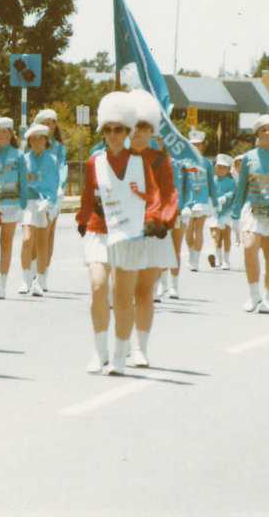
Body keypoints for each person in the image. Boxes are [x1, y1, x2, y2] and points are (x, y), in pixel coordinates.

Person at [76, 92, 160, 375]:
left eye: (119, 129)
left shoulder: (140, 162)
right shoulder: (93, 162)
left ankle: (119, 357)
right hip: (99, 231)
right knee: (98, 287)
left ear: (127, 131)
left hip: (128, 234)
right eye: (108, 129)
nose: (113, 135)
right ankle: (99, 352)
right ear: (103, 131)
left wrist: (152, 220)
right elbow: (88, 196)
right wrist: (82, 219)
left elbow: (152, 197)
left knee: (123, 296)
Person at [124, 88, 177, 367]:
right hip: (122, 232)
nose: (138, 133)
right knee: (122, 291)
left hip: (151, 232)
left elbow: (168, 196)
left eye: (143, 127)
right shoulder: (114, 157)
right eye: (133, 127)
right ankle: (122, 342)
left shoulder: (160, 159)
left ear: (150, 130)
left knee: (144, 291)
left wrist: (163, 222)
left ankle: (140, 348)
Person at [231, 115, 269, 313]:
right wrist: (235, 214)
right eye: (263, 130)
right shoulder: (248, 157)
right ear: (257, 134)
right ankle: (253, 293)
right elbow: (242, 187)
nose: (267, 133)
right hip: (253, 209)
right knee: (249, 247)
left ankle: (268, 298)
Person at [0, 116, 27, 299]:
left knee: (6, 243)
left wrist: (22, 205)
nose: (1, 135)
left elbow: (23, 182)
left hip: (11, 204)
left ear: (10, 134)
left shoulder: (19, 154)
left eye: (5, 131)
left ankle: (2, 284)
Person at [19, 123, 59, 296]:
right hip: (29, 203)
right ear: (29, 142)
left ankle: (40, 280)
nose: (37, 143)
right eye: (33, 140)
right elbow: (21, 183)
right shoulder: (24, 159)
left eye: (40, 139)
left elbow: (54, 184)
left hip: (45, 204)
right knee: (27, 240)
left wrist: (50, 203)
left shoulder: (52, 160)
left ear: (45, 140)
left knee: (42, 243)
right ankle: (25, 279)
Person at [32, 109, 67, 290]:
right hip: (35, 192)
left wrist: (58, 186)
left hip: (53, 192)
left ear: (54, 125)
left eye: (50, 123)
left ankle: (43, 274)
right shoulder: (33, 142)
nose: (47, 126)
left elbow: (62, 168)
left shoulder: (59, 147)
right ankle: (32, 271)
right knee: (33, 232)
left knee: (48, 233)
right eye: (44, 123)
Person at [181, 130, 216, 272]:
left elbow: (211, 183)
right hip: (189, 200)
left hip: (203, 199)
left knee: (199, 228)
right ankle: (191, 254)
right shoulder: (184, 163)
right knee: (189, 229)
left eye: (198, 144)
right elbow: (182, 182)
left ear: (203, 146)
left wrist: (215, 202)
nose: (196, 147)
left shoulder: (207, 163)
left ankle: (195, 260)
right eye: (193, 144)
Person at [157, 156, 189, 300]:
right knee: (162, 248)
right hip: (162, 210)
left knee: (176, 248)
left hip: (179, 210)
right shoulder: (158, 161)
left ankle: (173, 286)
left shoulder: (184, 164)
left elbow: (189, 187)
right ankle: (162, 283)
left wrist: (188, 205)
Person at [208, 154, 236, 270]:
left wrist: (225, 197)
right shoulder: (212, 180)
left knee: (225, 235)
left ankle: (226, 260)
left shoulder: (231, 181)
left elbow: (232, 192)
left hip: (227, 210)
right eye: (219, 167)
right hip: (215, 210)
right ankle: (217, 257)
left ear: (228, 169)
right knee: (215, 234)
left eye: (224, 168)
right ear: (215, 167)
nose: (221, 170)